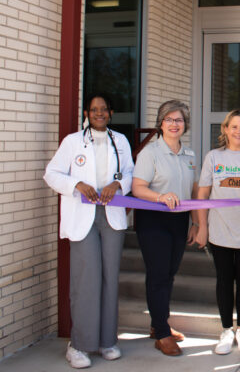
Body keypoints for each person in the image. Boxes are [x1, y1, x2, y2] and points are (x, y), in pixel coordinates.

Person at [44, 94, 134, 369]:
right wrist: (77, 184)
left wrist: (117, 186)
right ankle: (79, 345)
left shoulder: (120, 141)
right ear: (87, 113)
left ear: (111, 113)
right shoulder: (72, 142)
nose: (99, 113)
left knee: (109, 279)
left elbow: (130, 172)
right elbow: (52, 174)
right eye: (94, 110)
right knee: (86, 281)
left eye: (103, 109)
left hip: (112, 215)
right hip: (82, 217)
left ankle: (107, 341)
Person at [192, 109, 240, 355]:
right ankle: (226, 330)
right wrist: (202, 226)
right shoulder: (213, 157)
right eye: (234, 127)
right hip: (219, 229)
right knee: (224, 280)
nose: (238, 131)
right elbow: (202, 195)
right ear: (225, 129)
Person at [132, 100, 199, 357]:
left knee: (169, 273)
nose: (174, 124)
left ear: (185, 125)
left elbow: (193, 192)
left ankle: (158, 323)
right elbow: (138, 188)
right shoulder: (150, 152)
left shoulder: (190, 155)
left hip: (179, 220)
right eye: (169, 119)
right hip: (153, 219)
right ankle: (161, 333)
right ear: (161, 123)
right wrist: (160, 197)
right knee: (159, 274)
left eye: (179, 120)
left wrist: (195, 222)